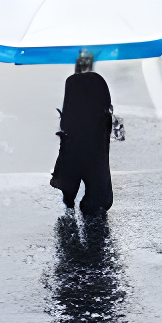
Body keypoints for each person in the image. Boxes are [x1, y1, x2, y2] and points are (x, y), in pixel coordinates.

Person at [50, 50, 115, 213]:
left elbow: (68, 112)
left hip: (75, 136)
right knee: (96, 169)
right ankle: (93, 200)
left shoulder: (71, 82)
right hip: (95, 137)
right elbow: (106, 111)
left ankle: (70, 196)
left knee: (72, 166)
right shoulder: (98, 82)